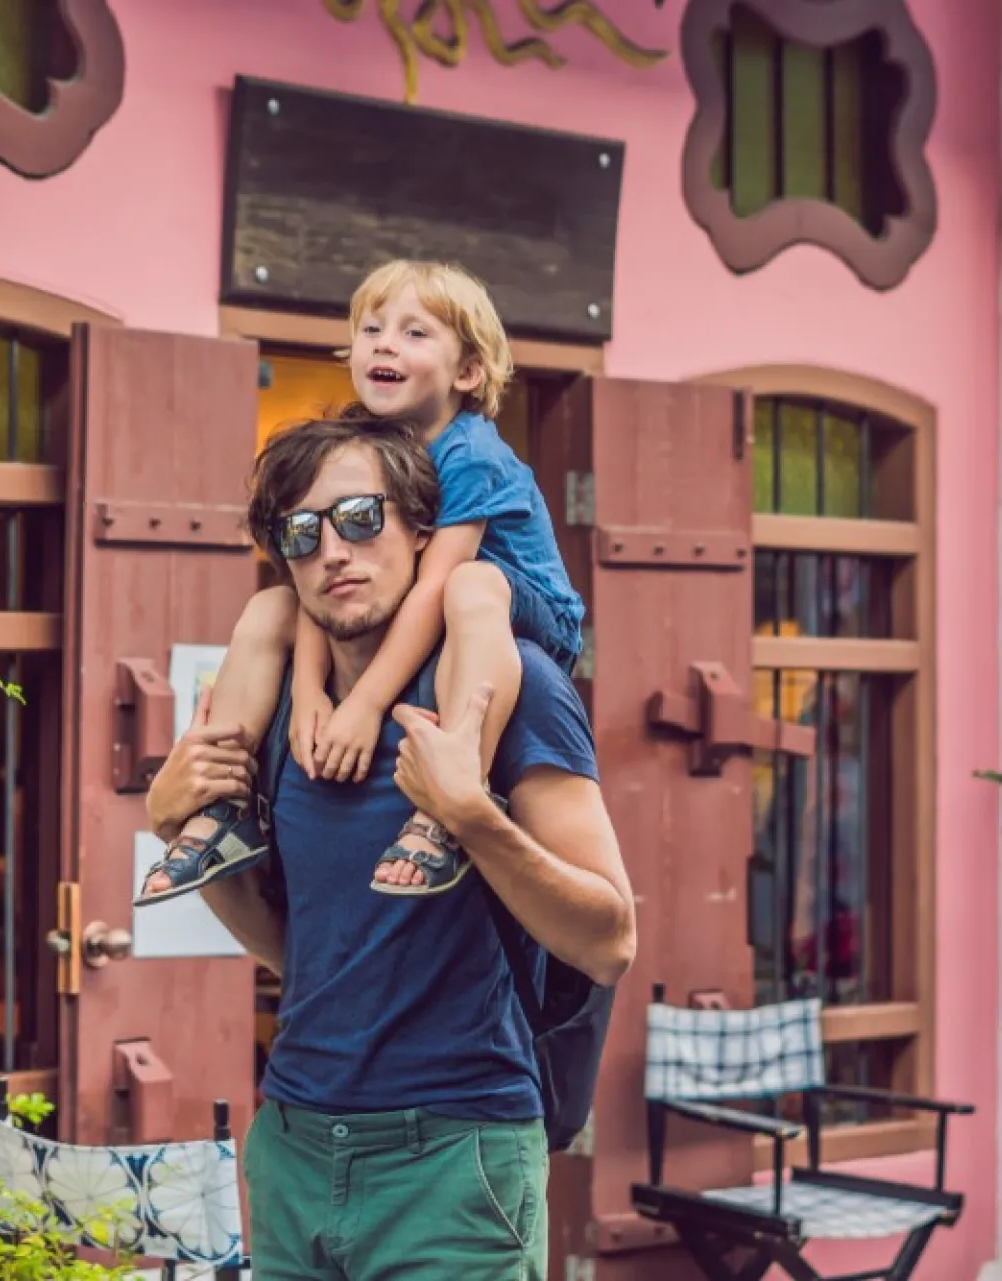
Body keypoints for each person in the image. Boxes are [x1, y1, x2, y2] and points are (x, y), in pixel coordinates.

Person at [144, 413, 634, 1279]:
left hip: (455, 1156)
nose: (334, 550)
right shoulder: (277, 716)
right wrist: (175, 824)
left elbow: (609, 939)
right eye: (303, 533)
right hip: (295, 1142)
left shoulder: (507, 686)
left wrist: (472, 815)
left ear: (419, 530)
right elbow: (299, 952)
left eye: (361, 518)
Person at [135, 258, 584, 906]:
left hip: (520, 608)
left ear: (467, 372)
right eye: (372, 329)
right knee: (271, 605)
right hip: (445, 601)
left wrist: (364, 704)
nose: (385, 343)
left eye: (414, 333)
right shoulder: (370, 443)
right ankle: (225, 803)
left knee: (470, 585)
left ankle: (456, 792)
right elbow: (325, 577)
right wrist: (312, 689)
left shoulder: (472, 454)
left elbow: (432, 588)